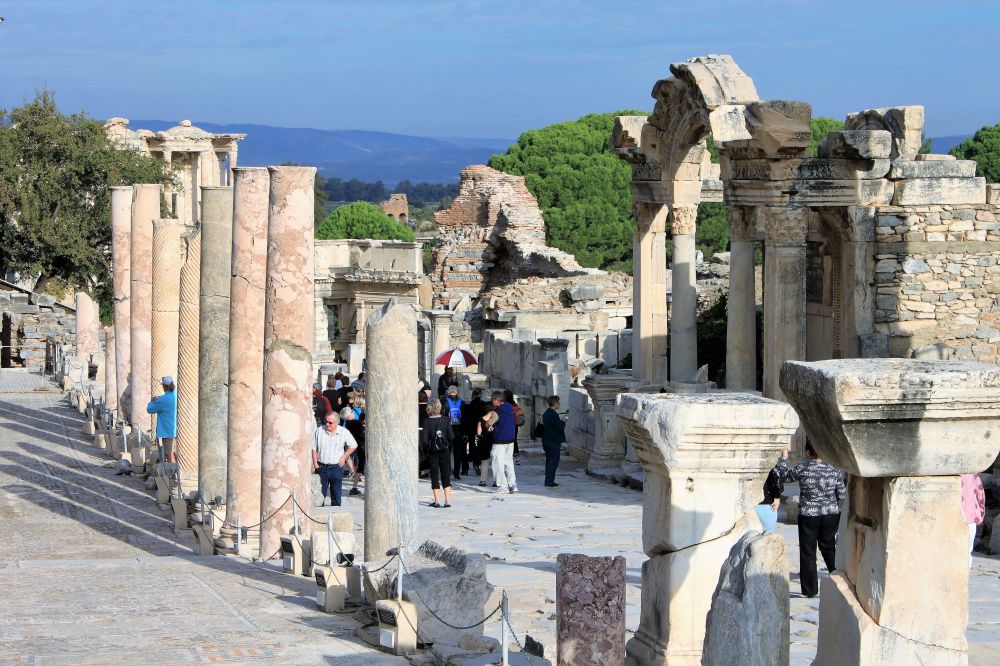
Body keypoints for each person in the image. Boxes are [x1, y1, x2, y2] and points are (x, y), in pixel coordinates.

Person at [773, 444, 847, 597]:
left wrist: (784, 458)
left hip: (808, 514)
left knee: (808, 551)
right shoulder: (834, 470)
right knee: (829, 548)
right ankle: (838, 580)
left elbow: (782, 476)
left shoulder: (803, 468)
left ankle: (810, 590)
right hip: (830, 514)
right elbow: (841, 494)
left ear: (808, 452)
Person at [312, 410, 358, 507]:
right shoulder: (319, 431)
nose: (327, 424)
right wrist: (315, 463)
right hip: (321, 467)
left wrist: (344, 457)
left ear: (337, 422)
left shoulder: (344, 432)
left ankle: (336, 513)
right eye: (326, 421)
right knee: (319, 497)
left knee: (336, 497)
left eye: (330, 422)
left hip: (336, 467)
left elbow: (353, 445)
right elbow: (314, 448)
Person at [421, 400, 454, 507]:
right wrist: (447, 445)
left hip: (432, 452)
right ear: (439, 407)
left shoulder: (426, 421)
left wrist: (428, 448)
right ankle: (447, 501)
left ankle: (436, 501)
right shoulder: (446, 420)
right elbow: (451, 436)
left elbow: (424, 440)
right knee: (446, 475)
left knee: (434, 475)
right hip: (444, 450)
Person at [484, 390, 517, 493]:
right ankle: (512, 484)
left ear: (496, 400)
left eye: (492, 400)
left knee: (497, 463)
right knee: (509, 462)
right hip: (510, 440)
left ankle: (503, 486)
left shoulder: (496, 412)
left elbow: (488, 423)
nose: (491, 402)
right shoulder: (509, 406)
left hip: (500, 441)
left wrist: (488, 424)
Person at [146, 376, 177, 463]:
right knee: (175, 455)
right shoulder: (176, 396)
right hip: (177, 431)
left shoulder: (162, 399)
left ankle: (173, 471)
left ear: (164, 386)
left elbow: (149, 409)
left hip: (167, 432)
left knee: (169, 456)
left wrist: (152, 401)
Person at [461, 388, 488, 477]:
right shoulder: (484, 405)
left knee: (472, 447)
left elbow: (465, 420)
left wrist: (465, 432)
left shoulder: (468, 406)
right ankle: (476, 464)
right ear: (480, 394)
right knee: (478, 447)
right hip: (481, 429)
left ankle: (467, 467)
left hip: (471, 430)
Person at [540, 395, 566, 487]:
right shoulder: (554, 414)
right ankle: (549, 481)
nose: (559, 404)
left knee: (549, 461)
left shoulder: (546, 413)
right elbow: (559, 428)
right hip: (553, 441)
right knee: (553, 462)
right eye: (558, 402)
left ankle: (548, 480)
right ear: (555, 403)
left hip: (546, 440)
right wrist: (564, 421)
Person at [440, 385, 465, 478]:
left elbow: (442, 416)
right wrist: (464, 432)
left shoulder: (444, 401)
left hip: (448, 430)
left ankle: (447, 472)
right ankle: (457, 473)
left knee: (447, 452)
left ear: (448, 392)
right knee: (457, 453)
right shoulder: (461, 402)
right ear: (456, 392)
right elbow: (465, 418)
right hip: (458, 430)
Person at [342, 406, 366, 497]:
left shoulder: (349, 423)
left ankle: (354, 487)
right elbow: (361, 434)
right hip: (362, 445)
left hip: (358, 445)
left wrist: (363, 414)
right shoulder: (355, 423)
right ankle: (354, 487)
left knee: (361, 466)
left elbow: (359, 422)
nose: (353, 413)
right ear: (348, 415)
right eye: (351, 412)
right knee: (362, 466)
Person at [961, 472, 986, 559]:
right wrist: (980, 513)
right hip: (970, 515)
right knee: (967, 552)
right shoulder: (972, 472)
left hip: (951, 516)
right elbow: (980, 493)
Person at [755, 468, 784, 532]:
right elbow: (777, 479)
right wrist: (777, 497)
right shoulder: (771, 467)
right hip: (767, 505)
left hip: (751, 503)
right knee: (768, 533)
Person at [476, 406, 497, 487]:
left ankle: (483, 481)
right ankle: (496, 481)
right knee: (495, 462)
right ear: (491, 411)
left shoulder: (481, 419)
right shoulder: (494, 420)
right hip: (494, 442)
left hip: (484, 443)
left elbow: (478, 433)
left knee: (485, 462)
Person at [504, 389, 525, 465]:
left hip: (507, 426)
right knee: (514, 440)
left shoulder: (505, 405)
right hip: (514, 426)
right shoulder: (515, 404)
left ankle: (507, 457)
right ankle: (517, 457)